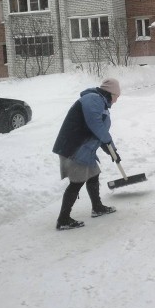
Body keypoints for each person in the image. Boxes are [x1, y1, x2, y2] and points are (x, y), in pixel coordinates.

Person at [52, 78, 121, 230]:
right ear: (111, 93)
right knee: (77, 181)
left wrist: (112, 151)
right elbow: (96, 126)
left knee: (93, 174)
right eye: (117, 96)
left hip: (84, 149)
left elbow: (100, 131)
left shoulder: (100, 102)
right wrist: (109, 145)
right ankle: (63, 220)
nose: (116, 101)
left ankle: (97, 207)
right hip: (74, 148)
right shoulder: (93, 99)